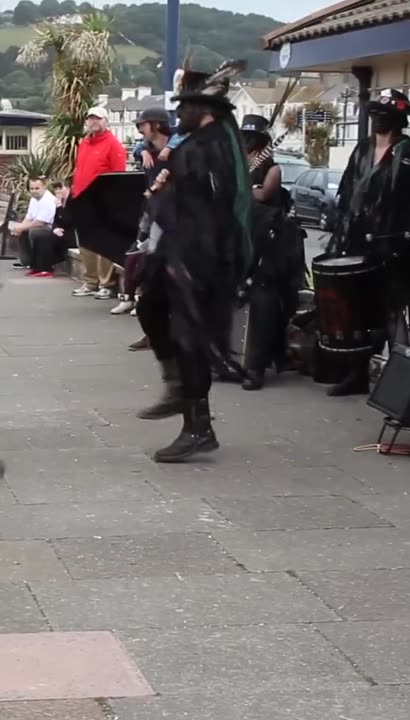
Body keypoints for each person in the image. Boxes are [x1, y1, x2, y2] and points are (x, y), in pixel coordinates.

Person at [134, 62, 252, 463]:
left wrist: (161, 204)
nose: (177, 114)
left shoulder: (211, 147)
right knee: (150, 307)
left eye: (184, 108)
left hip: (201, 258)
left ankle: (198, 427)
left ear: (206, 111)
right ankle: (175, 386)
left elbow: (210, 211)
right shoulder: (199, 143)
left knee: (191, 338)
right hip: (183, 251)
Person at [324, 88, 410, 396]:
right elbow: (347, 191)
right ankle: (356, 376)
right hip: (357, 244)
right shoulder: (362, 149)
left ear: (398, 119)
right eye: (373, 114)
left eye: (383, 115)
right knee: (358, 311)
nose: (376, 120)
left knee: (392, 313)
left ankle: (399, 383)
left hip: (393, 248)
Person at [239, 114, 306, 391]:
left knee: (263, 300)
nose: (246, 141)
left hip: (269, 242)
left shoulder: (272, 168)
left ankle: (256, 366)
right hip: (241, 237)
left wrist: (245, 188)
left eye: (251, 137)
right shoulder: (238, 164)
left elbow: (264, 195)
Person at [124, 108, 175, 347]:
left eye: (142, 125)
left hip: (177, 223)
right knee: (142, 274)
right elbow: (136, 147)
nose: (139, 130)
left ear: (155, 125)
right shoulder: (146, 149)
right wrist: (141, 149)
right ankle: (154, 333)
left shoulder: (177, 148)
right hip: (154, 219)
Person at [70, 106, 127, 299]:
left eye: (97, 119)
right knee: (86, 244)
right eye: (90, 119)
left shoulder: (114, 145)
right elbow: (79, 170)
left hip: (103, 201)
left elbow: (118, 176)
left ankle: (106, 284)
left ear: (105, 121)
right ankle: (90, 281)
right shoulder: (84, 143)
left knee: (104, 243)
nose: (93, 122)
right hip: (83, 200)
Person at [11, 176, 60, 277]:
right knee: (24, 231)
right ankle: (29, 263)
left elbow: (41, 222)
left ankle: (42, 266)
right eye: (32, 189)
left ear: (44, 187)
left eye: (37, 188)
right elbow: (29, 217)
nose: (34, 191)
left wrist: (23, 227)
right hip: (39, 225)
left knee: (35, 232)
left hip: (50, 228)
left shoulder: (48, 199)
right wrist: (20, 227)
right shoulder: (34, 199)